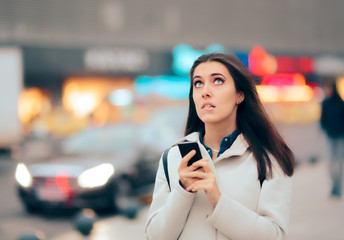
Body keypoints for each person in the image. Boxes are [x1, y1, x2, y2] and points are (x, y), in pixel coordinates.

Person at [145, 53, 295, 240]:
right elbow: (155, 237)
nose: (205, 91)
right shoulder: (173, 157)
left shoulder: (268, 159)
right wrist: (183, 191)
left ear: (239, 94)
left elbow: (275, 236)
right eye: (198, 83)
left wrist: (218, 200)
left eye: (217, 81)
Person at [320, 79, 344, 198]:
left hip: (340, 137)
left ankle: (338, 188)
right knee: (330, 163)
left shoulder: (340, 103)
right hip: (330, 136)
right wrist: (324, 127)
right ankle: (333, 186)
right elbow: (322, 118)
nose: (327, 90)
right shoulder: (325, 103)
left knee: (338, 163)